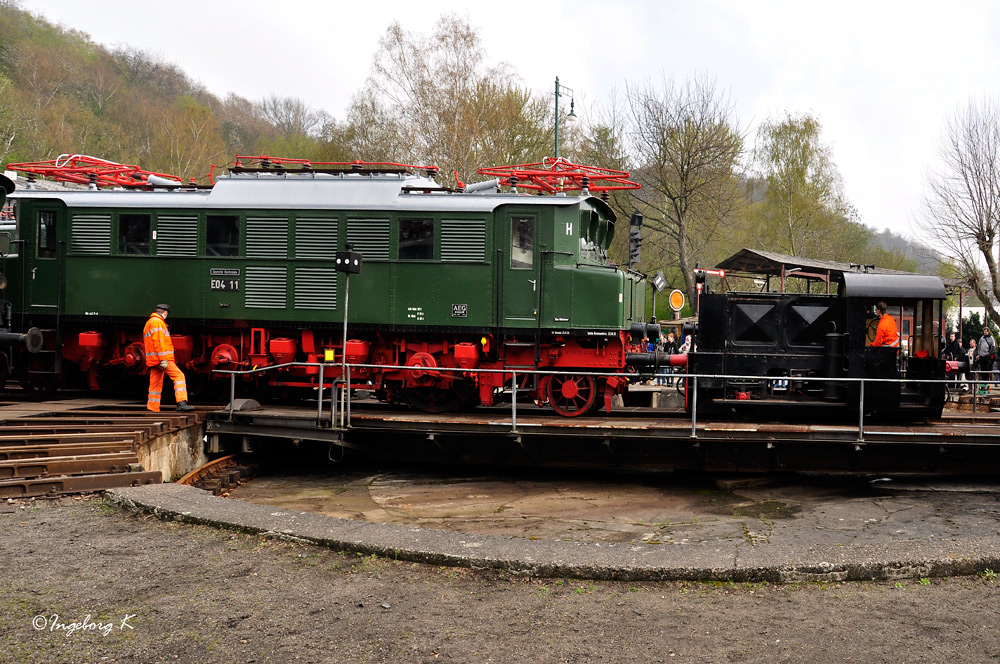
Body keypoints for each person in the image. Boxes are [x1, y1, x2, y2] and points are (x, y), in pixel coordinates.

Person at [144, 304, 194, 412]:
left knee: (155, 384)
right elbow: (159, 342)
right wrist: (163, 359)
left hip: (153, 359)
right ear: (165, 313)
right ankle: (181, 402)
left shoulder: (149, 323)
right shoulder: (158, 322)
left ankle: (152, 407)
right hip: (161, 359)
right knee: (179, 376)